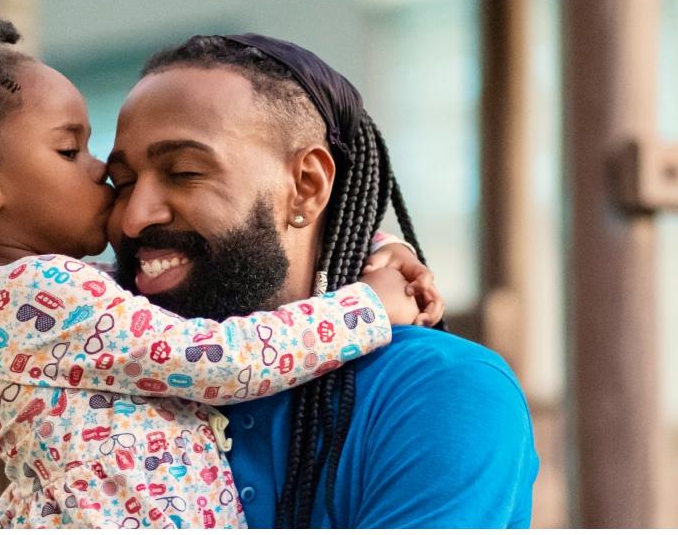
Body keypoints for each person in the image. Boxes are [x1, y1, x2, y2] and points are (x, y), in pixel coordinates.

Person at [0, 0, 444, 528]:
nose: (106, 179)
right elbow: (212, 359)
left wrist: (357, 245)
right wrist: (365, 306)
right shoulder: (36, 299)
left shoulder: (45, 300)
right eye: (70, 149)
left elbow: (185, 282)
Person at [106, 34, 540, 528]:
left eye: (184, 171)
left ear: (306, 187)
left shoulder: (435, 388)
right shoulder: (109, 381)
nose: (135, 217)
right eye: (121, 184)